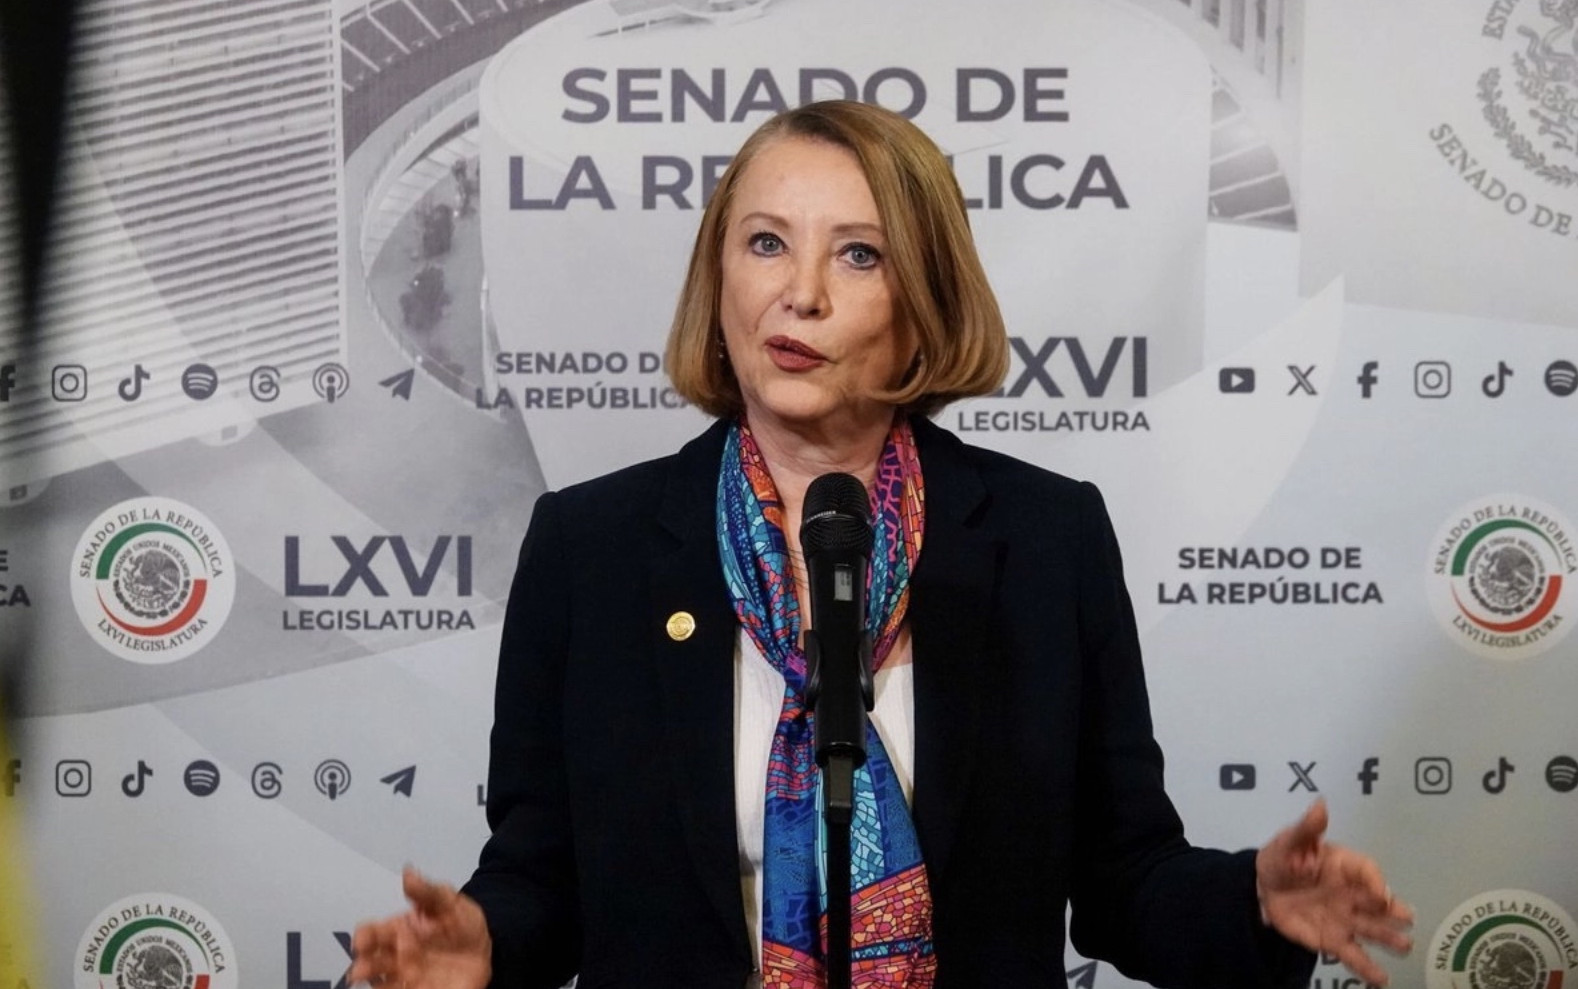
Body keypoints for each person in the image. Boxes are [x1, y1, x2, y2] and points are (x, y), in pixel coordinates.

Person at [347, 101, 1414, 989]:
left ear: (924, 299)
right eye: (766, 243)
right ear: (718, 277)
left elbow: (1125, 877)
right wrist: (483, 947)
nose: (800, 293)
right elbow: (542, 880)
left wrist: (1254, 903)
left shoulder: (1046, 540)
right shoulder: (593, 549)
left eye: (858, 254)